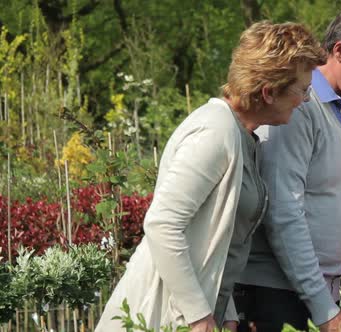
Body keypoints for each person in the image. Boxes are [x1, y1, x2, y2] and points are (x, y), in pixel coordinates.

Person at [95, 21, 326, 332]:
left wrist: (225, 307)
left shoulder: (241, 135)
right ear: (269, 92)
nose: (305, 100)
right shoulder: (214, 134)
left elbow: (215, 237)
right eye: (302, 89)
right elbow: (162, 224)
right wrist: (199, 316)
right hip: (160, 315)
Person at [235, 1, 341, 331]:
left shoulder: (338, 108)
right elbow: (283, 210)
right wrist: (322, 306)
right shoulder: (297, 105)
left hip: (309, 292)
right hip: (278, 293)